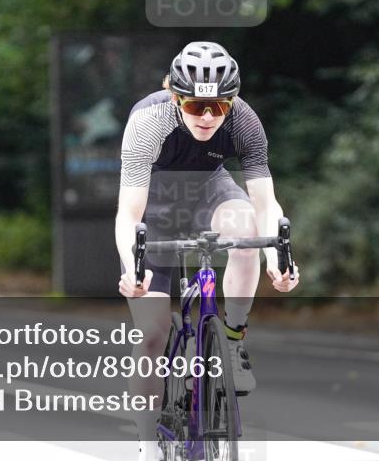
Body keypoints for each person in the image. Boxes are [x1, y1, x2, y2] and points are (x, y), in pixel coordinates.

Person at [115, 42, 300, 461]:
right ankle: (147, 443)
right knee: (151, 335)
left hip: (209, 196)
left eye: (218, 106)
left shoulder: (244, 121)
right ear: (176, 96)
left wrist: (277, 259)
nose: (207, 116)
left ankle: (232, 339)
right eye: (197, 105)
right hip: (155, 212)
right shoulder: (149, 120)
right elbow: (128, 213)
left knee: (247, 228)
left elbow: (266, 202)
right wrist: (133, 267)